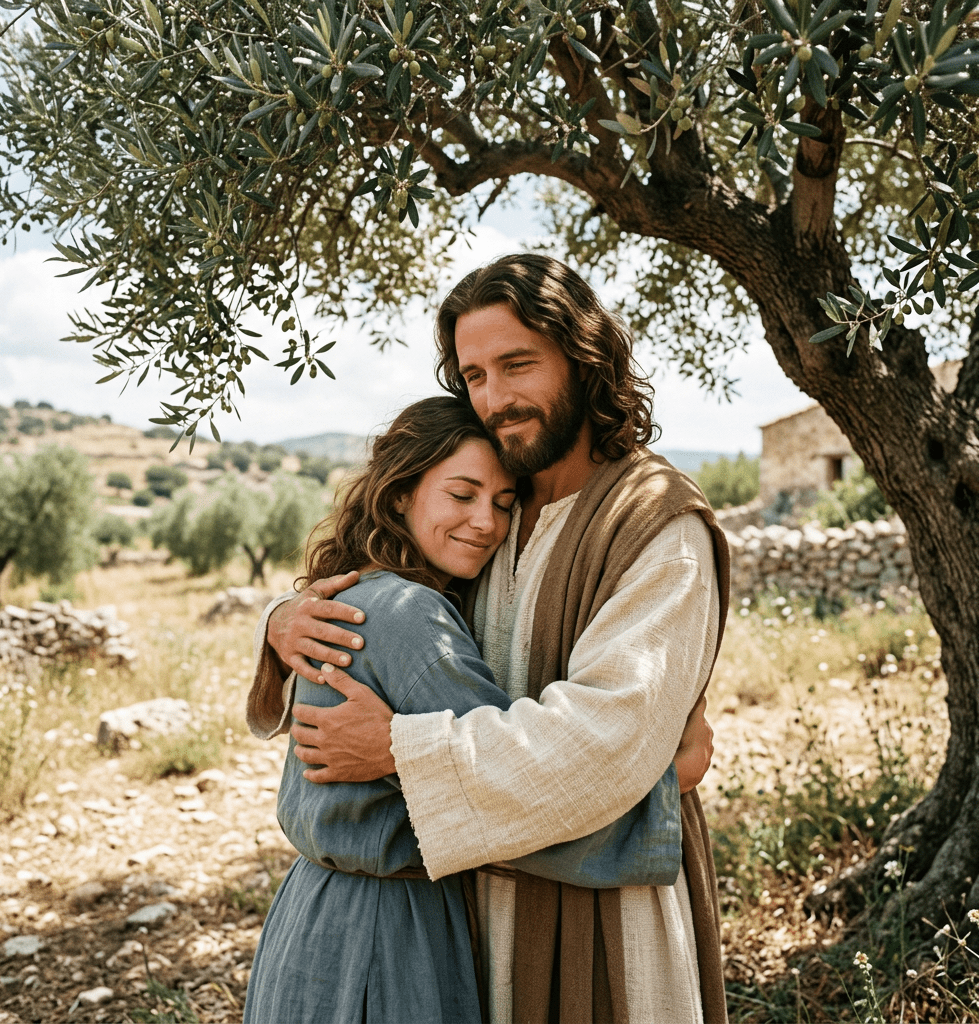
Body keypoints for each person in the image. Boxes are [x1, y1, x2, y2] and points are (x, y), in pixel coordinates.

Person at [254, 254, 730, 1023]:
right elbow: (387, 601)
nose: (495, 399)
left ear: (584, 359)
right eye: (474, 375)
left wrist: (397, 751)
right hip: (465, 913)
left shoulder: (656, 526)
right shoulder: (496, 516)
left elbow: (605, 743)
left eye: (517, 365)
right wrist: (283, 618)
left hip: (601, 913)